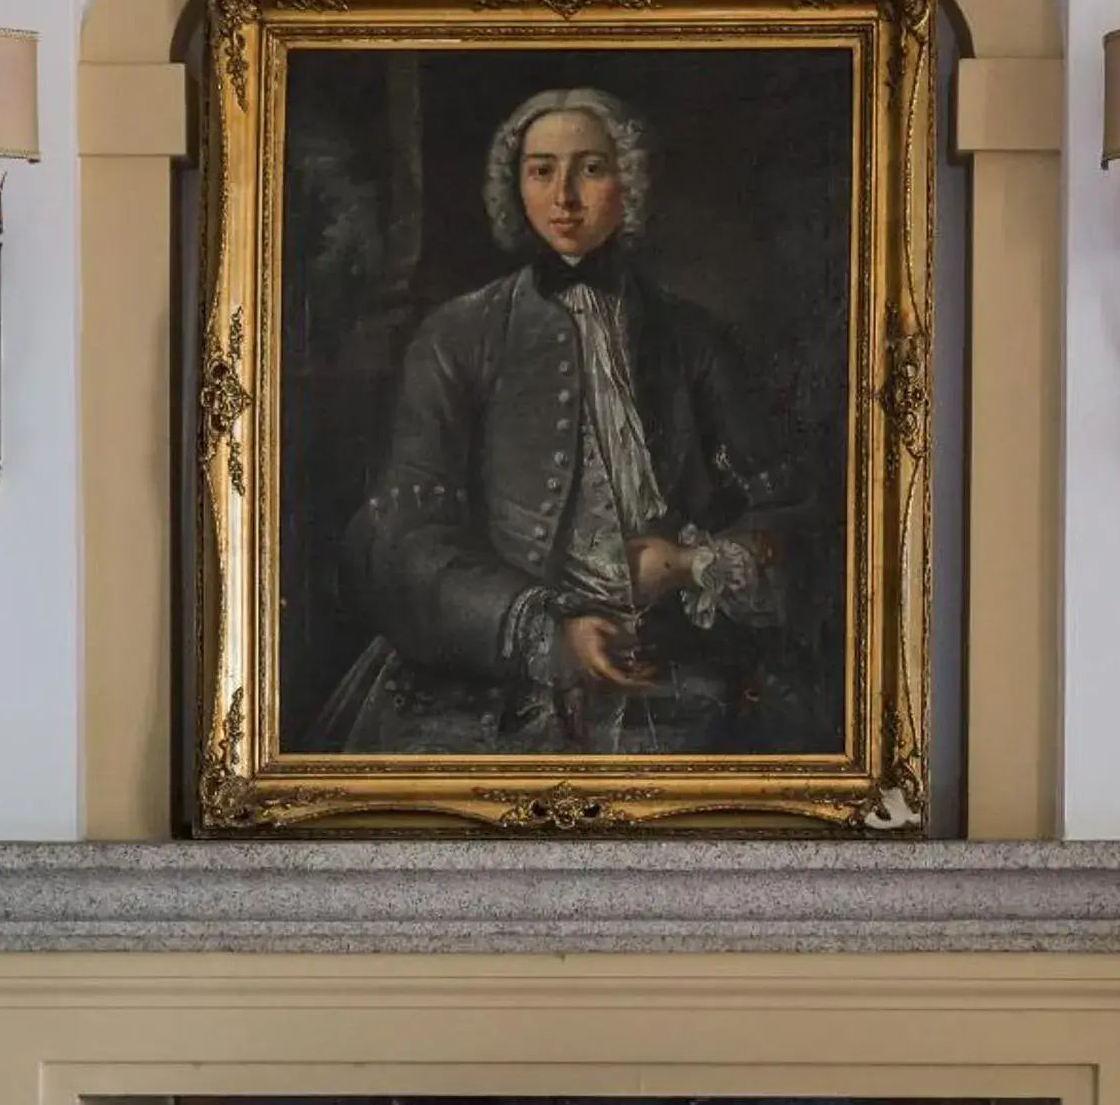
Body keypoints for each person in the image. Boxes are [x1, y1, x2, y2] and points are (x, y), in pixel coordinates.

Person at [316, 86, 810, 757]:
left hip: (670, 666)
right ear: (514, 185)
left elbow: (789, 510)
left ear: (628, 181)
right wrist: (541, 631)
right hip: (486, 684)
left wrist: (694, 564)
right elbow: (399, 538)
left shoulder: (692, 337)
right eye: (541, 170)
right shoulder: (459, 334)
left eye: (591, 168)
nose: (564, 196)